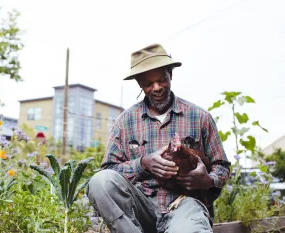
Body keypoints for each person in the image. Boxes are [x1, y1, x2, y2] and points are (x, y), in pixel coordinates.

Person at [86, 43, 231, 233]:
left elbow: (222, 165)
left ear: (171, 74)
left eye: (162, 80)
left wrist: (207, 180)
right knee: (99, 182)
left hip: (184, 204)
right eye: (148, 83)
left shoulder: (199, 117)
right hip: (140, 207)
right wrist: (143, 163)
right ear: (139, 83)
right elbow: (109, 170)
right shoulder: (125, 122)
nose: (156, 88)